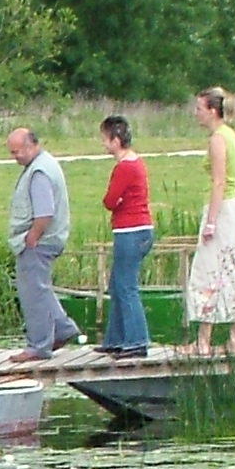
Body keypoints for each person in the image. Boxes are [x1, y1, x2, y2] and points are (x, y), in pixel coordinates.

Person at [185, 87, 235, 354]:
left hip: (223, 208)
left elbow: (219, 181)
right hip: (233, 207)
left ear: (213, 111)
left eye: (200, 109)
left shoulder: (218, 139)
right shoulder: (230, 135)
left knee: (209, 270)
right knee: (231, 270)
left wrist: (211, 221)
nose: (196, 113)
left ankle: (203, 340)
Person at [4, 126, 82, 362]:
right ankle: (63, 329)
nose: (14, 157)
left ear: (30, 146)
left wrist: (33, 236)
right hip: (47, 239)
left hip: (40, 241)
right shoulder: (45, 164)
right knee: (40, 288)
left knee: (33, 293)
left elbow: (45, 212)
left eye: (17, 151)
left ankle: (38, 346)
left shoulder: (39, 172)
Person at [98, 115, 153, 358]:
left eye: (105, 139)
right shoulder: (136, 162)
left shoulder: (124, 168)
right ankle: (116, 339)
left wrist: (116, 201)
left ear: (116, 140)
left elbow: (110, 200)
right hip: (139, 230)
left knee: (126, 286)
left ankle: (137, 340)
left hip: (130, 231)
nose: (103, 144)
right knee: (117, 284)